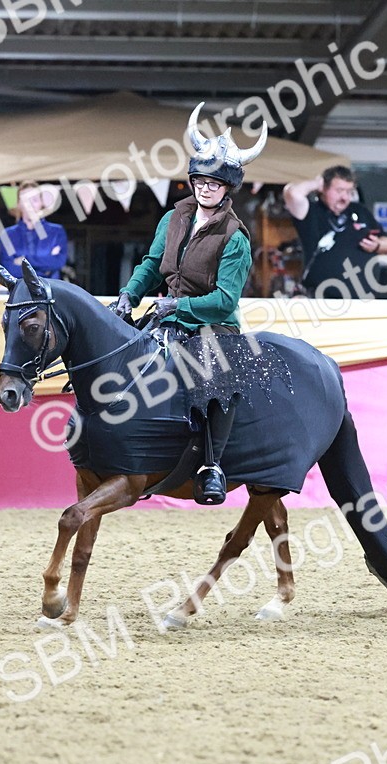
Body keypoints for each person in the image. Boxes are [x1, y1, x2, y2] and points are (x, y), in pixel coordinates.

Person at [110, 102, 267, 505]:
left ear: (227, 189)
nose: (205, 188)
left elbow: (224, 300)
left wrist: (177, 308)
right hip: (168, 313)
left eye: (214, 184)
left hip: (213, 324)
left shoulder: (235, 236)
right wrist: (129, 295)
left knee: (217, 380)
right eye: (200, 180)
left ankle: (212, 467)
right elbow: (150, 265)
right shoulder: (172, 218)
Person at [283, 165, 387, 298]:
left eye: (349, 192)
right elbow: (292, 194)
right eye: (339, 191)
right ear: (324, 188)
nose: (344, 198)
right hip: (321, 301)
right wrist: (317, 183)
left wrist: (377, 245)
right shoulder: (311, 211)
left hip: (363, 301)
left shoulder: (360, 211)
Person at [0, 180, 69, 280]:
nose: (30, 204)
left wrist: (24, 261)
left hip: (50, 290)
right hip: (20, 291)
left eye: (34, 200)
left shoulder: (56, 232)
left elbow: (58, 263)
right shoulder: (7, 235)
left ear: (41, 203)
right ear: (19, 204)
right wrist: (45, 268)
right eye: (25, 200)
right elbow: (9, 268)